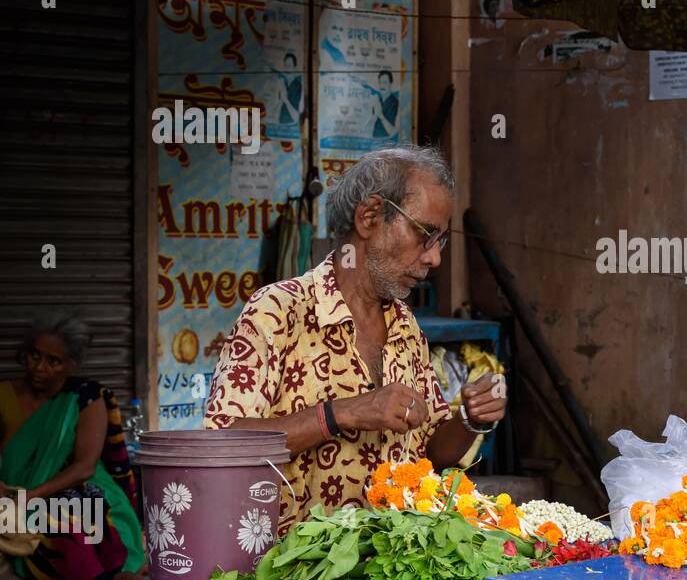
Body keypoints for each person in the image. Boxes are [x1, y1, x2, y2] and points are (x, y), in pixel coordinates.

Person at [205, 146, 507, 533]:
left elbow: (430, 452)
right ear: (369, 217)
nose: (435, 259)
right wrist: (340, 413)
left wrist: (469, 417)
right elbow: (223, 442)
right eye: (425, 235)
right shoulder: (278, 312)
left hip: (387, 570)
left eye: (441, 241)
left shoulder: (406, 327)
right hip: (290, 578)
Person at [0, 314, 146, 580]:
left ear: (70, 365)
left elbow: (84, 468)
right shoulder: (4, 396)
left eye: (53, 361)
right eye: (34, 355)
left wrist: (31, 497)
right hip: (15, 492)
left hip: (74, 485)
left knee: (87, 517)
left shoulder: (83, 397)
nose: (40, 367)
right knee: (58, 526)